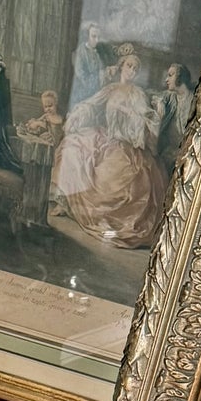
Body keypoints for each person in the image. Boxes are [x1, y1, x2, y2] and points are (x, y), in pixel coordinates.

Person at [50, 47, 168, 250]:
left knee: (114, 178)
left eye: (135, 68)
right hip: (104, 136)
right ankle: (68, 203)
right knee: (71, 149)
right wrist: (79, 112)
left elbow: (143, 117)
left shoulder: (138, 93)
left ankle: (107, 221)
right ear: (122, 66)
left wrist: (152, 113)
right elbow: (91, 104)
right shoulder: (111, 88)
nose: (132, 70)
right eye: (129, 65)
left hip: (125, 143)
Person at [155, 62, 196, 179]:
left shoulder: (194, 100)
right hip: (169, 152)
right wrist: (160, 102)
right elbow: (155, 95)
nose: (166, 80)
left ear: (180, 77)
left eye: (170, 75)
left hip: (186, 153)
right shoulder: (171, 96)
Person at [70, 22, 107, 107]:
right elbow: (81, 74)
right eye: (93, 36)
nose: (97, 40)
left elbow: (102, 67)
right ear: (87, 36)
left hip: (97, 89)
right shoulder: (82, 51)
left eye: (98, 37)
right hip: (84, 90)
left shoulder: (98, 51)